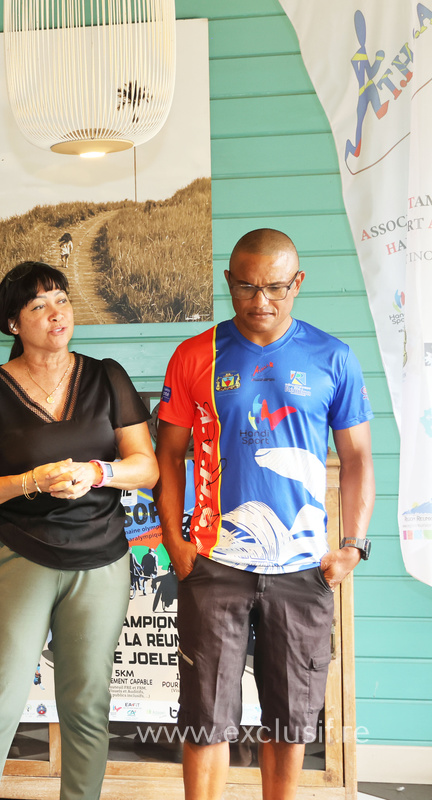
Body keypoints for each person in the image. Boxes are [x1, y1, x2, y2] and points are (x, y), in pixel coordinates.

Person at [154, 228, 374, 800]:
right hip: (214, 562)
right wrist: (175, 542)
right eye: (247, 287)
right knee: (205, 717)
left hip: (303, 567)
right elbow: (167, 456)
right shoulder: (195, 355)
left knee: (290, 717)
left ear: (297, 282)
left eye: (275, 287)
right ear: (228, 282)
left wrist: (353, 545)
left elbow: (357, 459)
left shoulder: (333, 357)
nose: (261, 301)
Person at [0, 261, 158, 800]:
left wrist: (97, 473)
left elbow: (146, 467)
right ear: (13, 323)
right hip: (19, 555)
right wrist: (30, 482)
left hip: (101, 559)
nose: (56, 313)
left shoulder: (107, 376)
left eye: (61, 300)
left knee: (87, 705)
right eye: (39, 305)